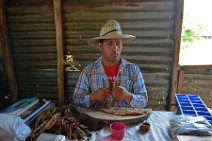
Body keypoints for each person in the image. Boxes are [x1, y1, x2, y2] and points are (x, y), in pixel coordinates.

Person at [73, 19, 147, 108]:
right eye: (110, 43)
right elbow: (77, 100)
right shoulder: (88, 71)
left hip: (124, 121)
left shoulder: (133, 70)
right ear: (101, 46)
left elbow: (144, 100)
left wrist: (127, 96)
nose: (115, 48)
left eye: (118, 43)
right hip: (98, 121)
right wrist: (93, 97)